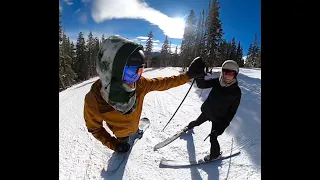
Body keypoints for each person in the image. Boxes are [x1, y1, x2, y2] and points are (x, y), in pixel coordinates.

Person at [83, 35, 206, 153]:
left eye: (140, 70)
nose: (136, 79)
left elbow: (164, 83)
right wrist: (114, 144)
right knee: (124, 141)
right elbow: (95, 128)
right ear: (111, 71)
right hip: (121, 134)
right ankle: (127, 139)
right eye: (131, 72)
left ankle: (136, 131)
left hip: (134, 124)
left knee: (134, 129)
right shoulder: (94, 99)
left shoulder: (139, 83)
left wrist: (188, 76)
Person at [183, 60, 242, 161]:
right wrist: (199, 76)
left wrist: (222, 127)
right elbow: (202, 85)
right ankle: (189, 127)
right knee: (197, 122)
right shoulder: (217, 82)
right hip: (207, 111)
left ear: (235, 75)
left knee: (213, 137)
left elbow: (231, 112)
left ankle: (215, 155)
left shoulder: (236, 92)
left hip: (219, 119)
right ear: (222, 72)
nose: (227, 76)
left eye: (231, 73)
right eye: (225, 72)